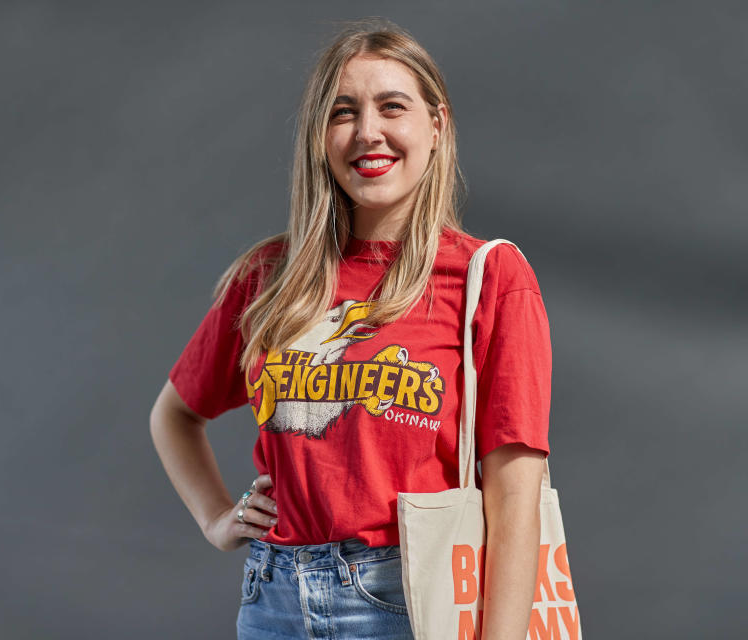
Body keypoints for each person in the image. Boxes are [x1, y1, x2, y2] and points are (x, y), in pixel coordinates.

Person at [149, 18, 551, 640]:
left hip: (411, 601)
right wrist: (216, 520)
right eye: (343, 113)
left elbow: (515, 497)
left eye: (393, 106)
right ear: (320, 137)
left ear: (436, 125)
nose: (368, 132)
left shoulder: (488, 276)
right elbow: (173, 415)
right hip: (273, 601)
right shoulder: (269, 277)